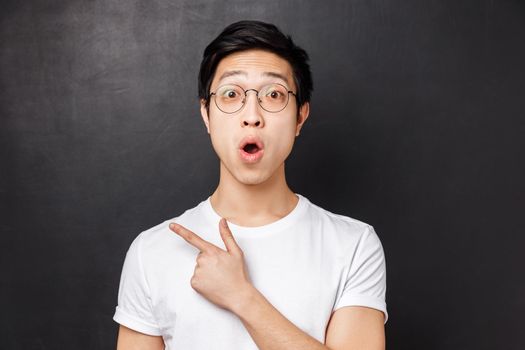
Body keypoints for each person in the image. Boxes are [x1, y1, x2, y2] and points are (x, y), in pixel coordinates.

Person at [113, 20, 388, 350]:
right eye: (231, 94)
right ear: (206, 114)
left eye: (274, 94)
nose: (252, 115)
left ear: (300, 116)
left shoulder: (353, 245)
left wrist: (241, 297)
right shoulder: (151, 251)